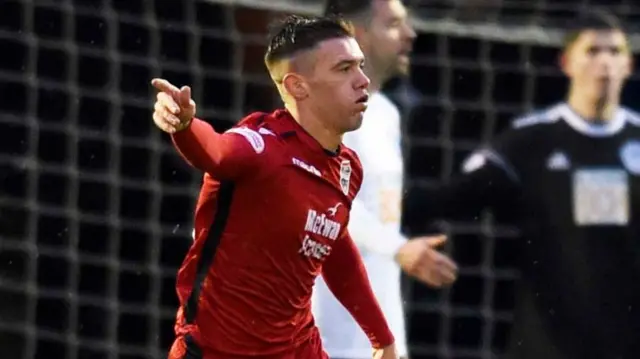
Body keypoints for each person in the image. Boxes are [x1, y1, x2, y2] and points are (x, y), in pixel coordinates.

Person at [151, 15, 448, 359]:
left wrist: (381, 336)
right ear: (297, 86)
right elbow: (215, 152)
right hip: (216, 349)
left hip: (298, 349)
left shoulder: (347, 167)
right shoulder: (260, 146)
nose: (363, 81)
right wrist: (185, 125)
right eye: (344, 69)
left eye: (361, 67)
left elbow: (336, 248)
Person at [403, 10, 640, 359]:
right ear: (566, 62)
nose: (604, 62)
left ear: (629, 65)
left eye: (615, 51)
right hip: (547, 342)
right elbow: (454, 197)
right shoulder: (530, 141)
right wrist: (380, 212)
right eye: (592, 51)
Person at [312, 1, 458, 359]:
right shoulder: (319, 107)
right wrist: (398, 247)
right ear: (355, 33)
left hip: (376, 335)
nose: (410, 34)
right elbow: (324, 201)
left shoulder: (385, 113)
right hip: (327, 337)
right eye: (394, 24)